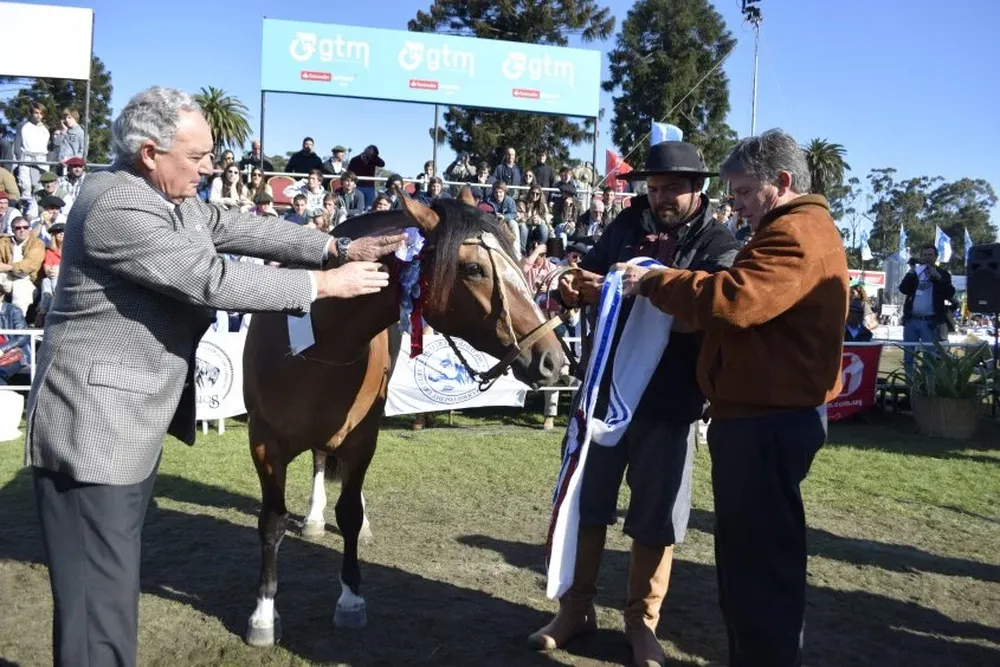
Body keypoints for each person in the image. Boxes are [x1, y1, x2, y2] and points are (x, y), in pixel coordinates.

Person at [24, 87, 406, 667]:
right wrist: (322, 286)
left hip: (121, 432)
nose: (210, 168)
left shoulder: (164, 196)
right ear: (151, 153)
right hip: (92, 433)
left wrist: (336, 246)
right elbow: (209, 277)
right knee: (95, 604)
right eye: (198, 156)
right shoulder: (116, 208)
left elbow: (240, 229)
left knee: (108, 593)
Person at [617, 129, 848, 667]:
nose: (736, 205)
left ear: (782, 183)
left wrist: (655, 282)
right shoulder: (799, 229)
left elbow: (734, 301)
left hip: (765, 421)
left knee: (758, 570)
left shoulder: (794, 235)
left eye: (744, 192)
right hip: (762, 416)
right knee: (751, 563)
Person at [532, 142, 739, 667]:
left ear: (698, 188)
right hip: (603, 390)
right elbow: (594, 276)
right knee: (588, 500)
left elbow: (709, 311)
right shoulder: (625, 226)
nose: (660, 196)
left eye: (671, 188)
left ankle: (641, 625)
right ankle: (575, 610)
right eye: (653, 187)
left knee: (655, 517)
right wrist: (579, 287)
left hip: (670, 400)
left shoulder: (718, 241)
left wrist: (641, 289)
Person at [899, 245, 955, 373]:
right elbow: (903, 289)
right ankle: (910, 385)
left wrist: (938, 278)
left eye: (930, 255)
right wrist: (911, 272)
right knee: (908, 355)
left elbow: (950, 294)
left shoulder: (943, 274)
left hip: (930, 321)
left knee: (929, 356)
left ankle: (927, 386)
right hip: (911, 320)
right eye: (924, 255)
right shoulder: (915, 273)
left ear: (935, 257)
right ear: (921, 257)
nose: (927, 257)